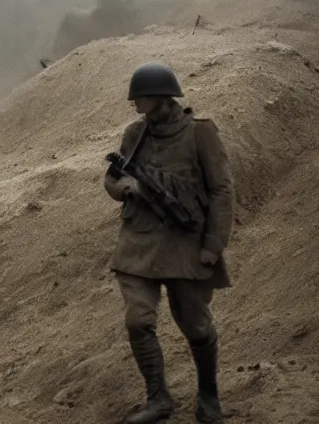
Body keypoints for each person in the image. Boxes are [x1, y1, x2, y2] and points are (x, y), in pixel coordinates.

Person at [104, 61, 234, 423]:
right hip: (138, 243)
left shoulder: (200, 134)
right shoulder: (135, 134)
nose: (135, 105)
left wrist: (213, 245)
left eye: (141, 98)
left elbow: (222, 191)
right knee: (137, 321)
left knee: (196, 326)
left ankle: (209, 397)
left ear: (161, 98)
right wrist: (122, 187)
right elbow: (112, 179)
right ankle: (157, 399)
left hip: (185, 244)